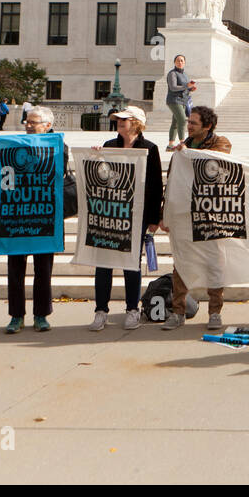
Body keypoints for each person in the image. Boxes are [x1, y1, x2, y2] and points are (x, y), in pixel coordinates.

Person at [90, 106, 163, 331]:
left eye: (125, 120)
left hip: (136, 214)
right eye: (118, 120)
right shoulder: (110, 146)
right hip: (111, 211)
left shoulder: (149, 148)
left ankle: (133, 309)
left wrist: (154, 217)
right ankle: (100, 310)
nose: (120, 123)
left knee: (132, 263)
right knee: (103, 262)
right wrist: (95, 157)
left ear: (137, 123)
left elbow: (155, 185)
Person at [162, 105, 231, 331]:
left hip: (211, 215)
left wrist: (187, 153)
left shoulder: (221, 143)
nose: (188, 126)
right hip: (184, 215)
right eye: (188, 122)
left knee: (214, 264)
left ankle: (215, 312)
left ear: (208, 126)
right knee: (180, 265)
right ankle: (178, 311)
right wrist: (166, 213)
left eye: (193, 123)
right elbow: (172, 181)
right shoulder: (184, 149)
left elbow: (218, 161)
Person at [5, 106, 68, 334]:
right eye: (27, 122)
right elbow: (5, 178)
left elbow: (56, 176)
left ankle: (41, 315)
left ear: (47, 126)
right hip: (18, 216)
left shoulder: (59, 147)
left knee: (43, 269)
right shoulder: (14, 145)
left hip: (45, 217)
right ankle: (16, 316)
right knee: (15, 269)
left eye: (33, 122)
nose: (28, 125)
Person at [165, 54, 191, 149]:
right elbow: (173, 87)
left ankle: (170, 145)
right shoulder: (172, 73)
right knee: (182, 120)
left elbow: (185, 87)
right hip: (174, 100)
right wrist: (186, 86)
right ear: (174, 62)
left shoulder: (185, 74)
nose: (180, 62)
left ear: (184, 63)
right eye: (178, 61)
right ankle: (182, 143)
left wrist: (190, 88)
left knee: (175, 123)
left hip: (183, 101)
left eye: (182, 61)